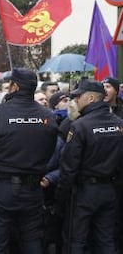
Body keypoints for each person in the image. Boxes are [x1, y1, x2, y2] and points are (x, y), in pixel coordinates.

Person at [0, 68, 58, 253]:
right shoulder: (47, 116)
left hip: (3, 189)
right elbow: (49, 151)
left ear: (14, 86)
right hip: (32, 188)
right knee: (32, 241)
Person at [55, 79, 123, 253]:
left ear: (91, 98)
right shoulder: (119, 124)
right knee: (106, 239)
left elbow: (69, 168)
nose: (75, 100)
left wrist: (61, 198)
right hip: (110, 190)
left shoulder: (79, 126)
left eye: (78, 96)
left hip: (84, 192)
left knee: (76, 240)